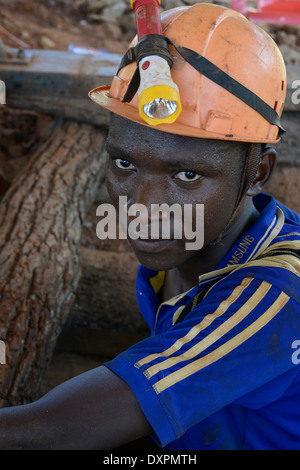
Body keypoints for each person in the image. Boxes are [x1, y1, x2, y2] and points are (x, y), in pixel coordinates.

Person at [1, 2, 300, 450]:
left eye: (187, 175)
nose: (142, 208)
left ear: (257, 174)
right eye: (125, 163)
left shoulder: (274, 297)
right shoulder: (191, 245)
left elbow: (59, 429)